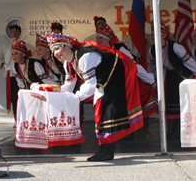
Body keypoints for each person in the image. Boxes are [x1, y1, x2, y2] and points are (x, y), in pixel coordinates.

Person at [47, 33, 144, 161]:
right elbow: (69, 84)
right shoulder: (68, 63)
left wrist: (75, 98)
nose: (55, 54)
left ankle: (107, 150)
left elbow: (90, 86)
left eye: (57, 49)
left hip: (116, 75)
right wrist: (54, 94)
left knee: (108, 111)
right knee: (101, 111)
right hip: (103, 80)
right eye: (53, 51)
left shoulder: (84, 57)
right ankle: (104, 149)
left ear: (68, 47)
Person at [148, 22, 196, 139]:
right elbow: (156, 68)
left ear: (164, 35)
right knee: (171, 102)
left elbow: (189, 62)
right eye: (152, 34)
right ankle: (171, 131)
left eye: (157, 34)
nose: (154, 37)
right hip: (170, 76)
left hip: (183, 75)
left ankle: (180, 131)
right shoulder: (152, 50)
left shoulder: (175, 46)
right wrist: (157, 82)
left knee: (182, 102)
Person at [94, 20, 158, 118]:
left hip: (122, 88)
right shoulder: (98, 52)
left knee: (124, 116)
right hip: (107, 89)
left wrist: (150, 80)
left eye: (101, 37)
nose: (98, 40)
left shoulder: (120, 50)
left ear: (108, 39)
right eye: (97, 38)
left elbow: (134, 67)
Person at [0, 25, 36, 123]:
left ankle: (28, 119)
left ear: (20, 33)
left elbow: (34, 53)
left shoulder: (26, 45)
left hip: (24, 74)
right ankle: (17, 120)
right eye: (13, 31)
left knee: (27, 95)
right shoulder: (6, 46)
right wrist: (2, 65)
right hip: (12, 75)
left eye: (17, 31)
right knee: (14, 97)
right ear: (10, 33)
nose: (15, 33)